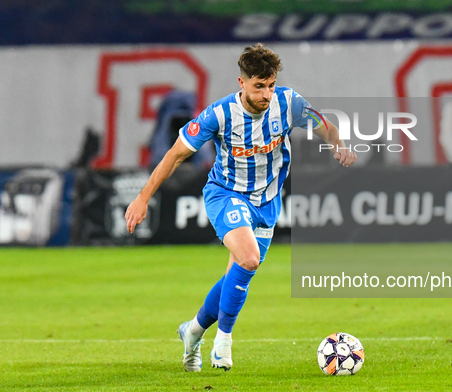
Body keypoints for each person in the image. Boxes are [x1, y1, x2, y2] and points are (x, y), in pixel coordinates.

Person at [124, 43, 356, 372]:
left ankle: (192, 332)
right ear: (242, 83)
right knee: (249, 258)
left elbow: (327, 127)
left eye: (271, 85)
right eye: (259, 86)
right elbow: (176, 153)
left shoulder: (289, 103)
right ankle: (224, 340)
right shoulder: (219, 114)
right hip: (227, 194)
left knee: (238, 272)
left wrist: (339, 147)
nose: (266, 94)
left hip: (268, 202)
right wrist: (143, 197)